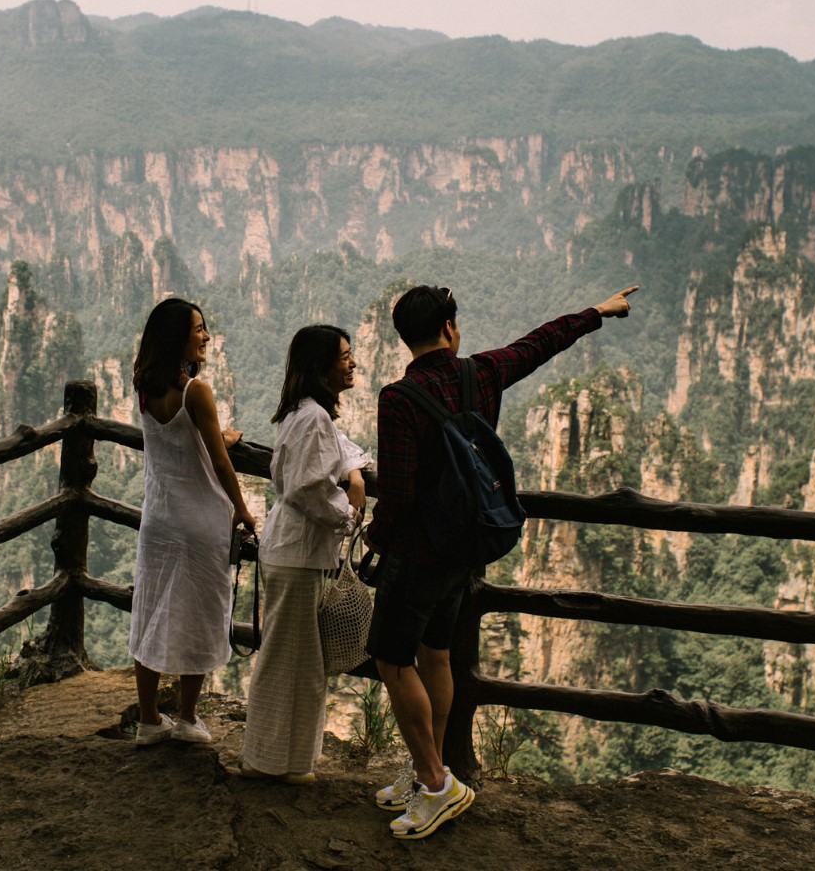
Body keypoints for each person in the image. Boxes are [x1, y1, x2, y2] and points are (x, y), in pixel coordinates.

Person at [367, 283, 639, 839]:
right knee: (436, 655)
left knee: (393, 662)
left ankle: (436, 784)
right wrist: (596, 312)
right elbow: (540, 343)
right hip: (466, 548)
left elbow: (395, 495)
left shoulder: (398, 399)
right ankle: (431, 770)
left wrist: (375, 536)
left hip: (417, 554)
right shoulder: (482, 373)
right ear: (450, 328)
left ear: (404, 338)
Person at [241, 325, 372, 783]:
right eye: (344, 356)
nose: (352, 362)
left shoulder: (305, 412)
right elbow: (307, 488)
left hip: (293, 552)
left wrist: (354, 470)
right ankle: (271, 764)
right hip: (297, 553)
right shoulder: (313, 417)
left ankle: (286, 761)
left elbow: (342, 450)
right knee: (288, 663)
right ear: (321, 367)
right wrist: (351, 514)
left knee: (297, 663)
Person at [129, 297, 258, 745]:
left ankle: (148, 720)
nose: (206, 336)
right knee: (201, 613)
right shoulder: (196, 392)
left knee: (151, 611)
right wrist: (242, 509)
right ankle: (186, 718)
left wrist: (214, 431)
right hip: (201, 521)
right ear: (177, 337)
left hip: (159, 521)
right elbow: (221, 464)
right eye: (198, 329)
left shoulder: (143, 384)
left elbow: (178, 432)